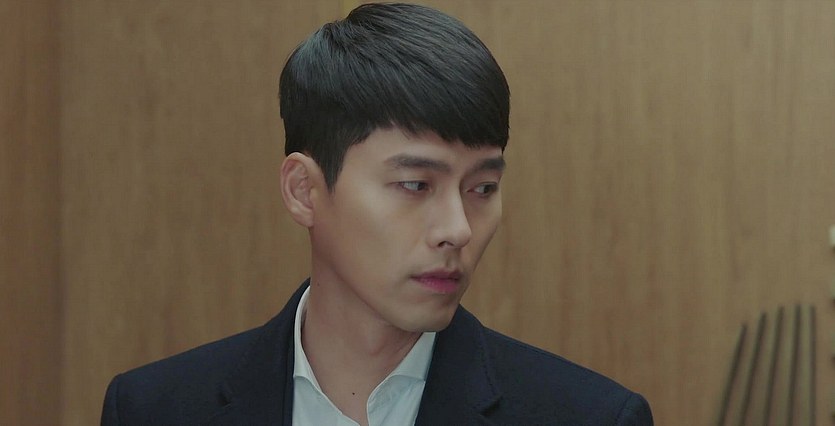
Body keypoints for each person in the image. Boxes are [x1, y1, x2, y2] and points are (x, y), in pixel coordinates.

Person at [100, 3, 653, 425]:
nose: (458, 229)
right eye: (415, 184)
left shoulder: (591, 416)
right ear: (304, 191)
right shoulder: (154, 409)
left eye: (482, 188)